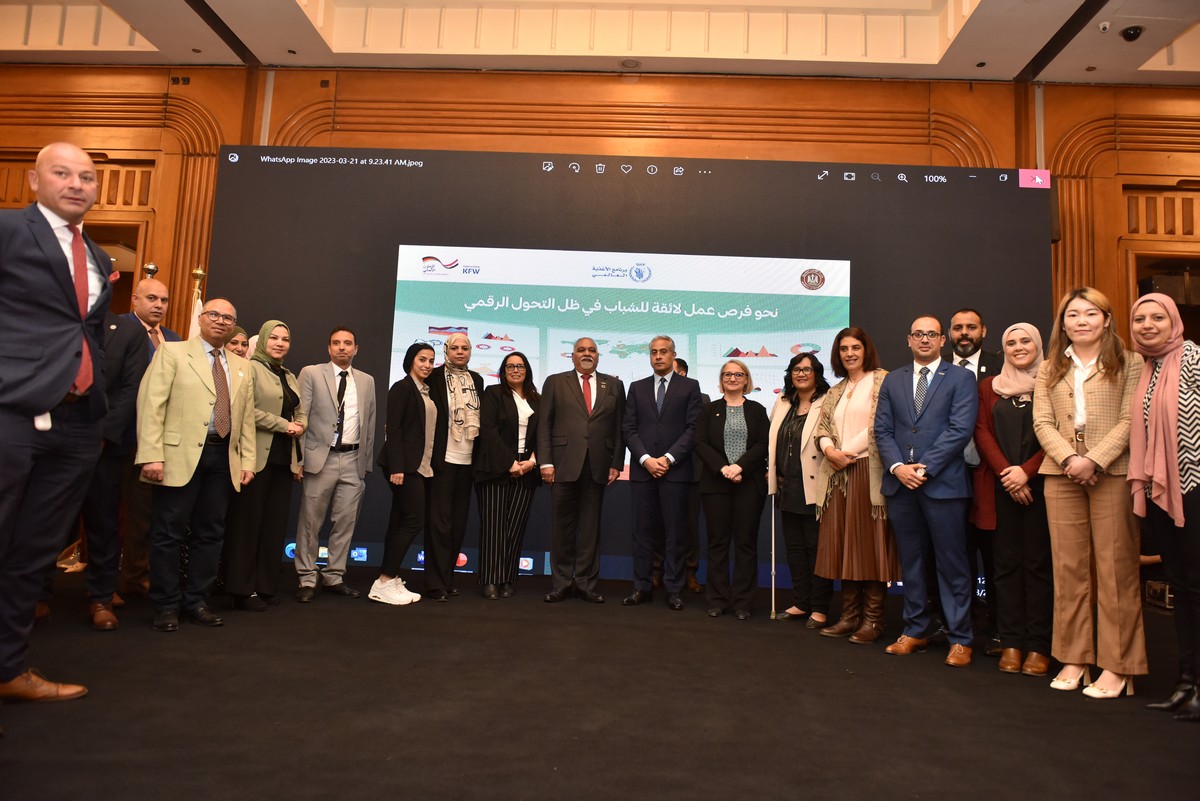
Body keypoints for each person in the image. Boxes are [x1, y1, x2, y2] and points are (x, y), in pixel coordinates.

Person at [0, 143, 111, 703]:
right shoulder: (8, 230)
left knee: (33, 555)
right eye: (62, 173)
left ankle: (8, 669)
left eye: (86, 176)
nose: (76, 184)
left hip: (76, 424)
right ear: (33, 179)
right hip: (12, 412)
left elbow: (81, 332)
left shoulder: (99, 256)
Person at [1032, 287, 1145, 698]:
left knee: (1116, 570)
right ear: (1063, 324)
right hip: (1061, 472)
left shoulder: (1130, 362)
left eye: (1090, 313)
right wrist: (1069, 459)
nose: (1081, 321)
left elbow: (1131, 419)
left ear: (1107, 319)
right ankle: (1074, 658)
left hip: (1111, 470)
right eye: (1073, 315)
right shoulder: (1049, 367)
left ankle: (1118, 666)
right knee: (1069, 570)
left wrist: (1093, 460)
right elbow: (1042, 422)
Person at [137, 298, 257, 632]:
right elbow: (151, 405)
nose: (221, 321)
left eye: (228, 318)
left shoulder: (242, 366)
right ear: (201, 318)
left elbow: (246, 418)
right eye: (214, 314)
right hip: (178, 455)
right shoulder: (172, 352)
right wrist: (151, 454)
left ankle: (196, 601)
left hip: (223, 457)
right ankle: (166, 604)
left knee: (211, 533)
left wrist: (247, 460)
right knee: (168, 532)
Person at [876, 315, 979, 667]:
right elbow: (882, 430)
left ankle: (960, 637)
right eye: (918, 334)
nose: (924, 339)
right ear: (908, 339)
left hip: (944, 485)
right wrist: (897, 467)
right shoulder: (893, 379)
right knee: (912, 563)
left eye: (931, 334)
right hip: (901, 485)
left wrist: (924, 468)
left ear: (942, 340)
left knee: (952, 563)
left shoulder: (961, 378)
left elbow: (960, 429)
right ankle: (915, 629)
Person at [1129, 293, 1200, 720]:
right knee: (1182, 586)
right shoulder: (1147, 367)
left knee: (1197, 586)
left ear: (1174, 321)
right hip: (1161, 490)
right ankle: (1186, 682)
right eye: (1140, 319)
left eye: (1158, 317)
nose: (1148, 325)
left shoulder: (1193, 360)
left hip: (1193, 487)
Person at [971, 323, 1052, 676]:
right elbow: (982, 432)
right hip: (1001, 488)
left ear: (1037, 345)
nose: (1018, 347)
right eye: (1011, 342)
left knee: (1038, 567)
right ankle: (1012, 641)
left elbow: (1058, 432)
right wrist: (1009, 474)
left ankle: (1039, 645)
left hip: (1043, 488)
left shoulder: (1053, 382)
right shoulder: (990, 386)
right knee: (1004, 568)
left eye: (1025, 341)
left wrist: (1027, 473)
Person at [813, 329, 899, 642]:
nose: (849, 353)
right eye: (844, 349)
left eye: (855, 347)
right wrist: (829, 451)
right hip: (838, 476)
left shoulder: (883, 380)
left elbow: (881, 424)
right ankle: (849, 617)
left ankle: (873, 621)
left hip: (868, 472)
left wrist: (844, 452)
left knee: (869, 546)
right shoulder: (836, 390)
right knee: (845, 546)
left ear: (866, 350)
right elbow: (822, 428)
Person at [223, 320, 306, 610]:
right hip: (255, 459)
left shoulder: (288, 374)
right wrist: (285, 425)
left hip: (283, 460)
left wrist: (301, 425)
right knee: (248, 526)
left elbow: (300, 411)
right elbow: (246, 410)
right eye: (274, 338)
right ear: (263, 341)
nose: (280, 343)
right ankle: (242, 590)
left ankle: (265, 586)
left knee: (274, 526)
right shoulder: (250, 368)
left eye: (285, 339)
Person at [538, 337, 626, 604]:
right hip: (563, 464)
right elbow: (544, 424)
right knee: (562, 529)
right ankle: (562, 584)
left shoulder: (614, 385)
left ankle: (586, 584)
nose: (587, 354)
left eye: (592, 350)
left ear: (598, 356)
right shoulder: (555, 382)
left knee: (590, 529)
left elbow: (619, 427)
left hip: (598, 465)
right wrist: (546, 462)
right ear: (572, 355)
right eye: (581, 350)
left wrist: (616, 463)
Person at [76, 312, 149, 630]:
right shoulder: (52, 319)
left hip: (106, 444)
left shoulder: (129, 331)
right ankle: (36, 595)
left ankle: (101, 597)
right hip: (50, 435)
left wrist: (103, 434)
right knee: (44, 520)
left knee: (104, 521)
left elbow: (132, 388)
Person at [293, 327, 376, 602]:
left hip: (353, 460)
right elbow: (300, 415)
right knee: (310, 522)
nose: (342, 347)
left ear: (356, 349)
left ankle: (334, 576)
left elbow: (370, 423)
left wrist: (365, 463)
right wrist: (299, 459)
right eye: (336, 343)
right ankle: (307, 578)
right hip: (320, 458)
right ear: (329, 348)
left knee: (345, 522)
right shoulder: (311, 373)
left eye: (348, 343)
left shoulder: (366, 381)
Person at [622, 336, 703, 611]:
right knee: (641, 532)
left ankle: (674, 589)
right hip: (643, 471)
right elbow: (628, 429)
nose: (658, 356)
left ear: (673, 355)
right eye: (654, 352)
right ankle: (641, 587)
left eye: (663, 352)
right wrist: (646, 459)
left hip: (675, 472)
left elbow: (693, 428)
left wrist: (668, 458)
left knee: (675, 534)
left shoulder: (690, 387)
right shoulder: (636, 387)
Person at [118, 276, 181, 599]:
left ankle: (135, 575)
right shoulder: (119, 329)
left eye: (164, 300)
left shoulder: (174, 339)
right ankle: (106, 585)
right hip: (121, 436)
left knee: (145, 515)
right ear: (135, 299)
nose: (158, 305)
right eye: (151, 298)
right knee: (111, 514)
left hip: (158, 442)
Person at [948, 307, 1005, 654]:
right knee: (956, 555)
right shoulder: (938, 370)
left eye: (971, 327)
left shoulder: (1002, 366)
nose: (964, 333)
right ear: (949, 334)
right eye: (958, 328)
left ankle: (1001, 629)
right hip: (948, 477)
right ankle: (960, 626)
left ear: (984, 330)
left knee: (996, 557)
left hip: (992, 476)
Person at [694, 359, 770, 620]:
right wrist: (723, 468)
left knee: (745, 543)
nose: (732, 378)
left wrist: (739, 467)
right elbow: (700, 443)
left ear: (746, 380)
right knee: (717, 543)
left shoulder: (757, 410)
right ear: (721, 379)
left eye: (738, 374)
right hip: (716, 484)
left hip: (749, 484)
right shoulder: (709, 410)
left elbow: (763, 444)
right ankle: (717, 600)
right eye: (727, 374)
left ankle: (742, 603)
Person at [768, 352, 833, 626]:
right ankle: (801, 602)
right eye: (796, 369)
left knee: (816, 549)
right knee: (794, 549)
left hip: (815, 485)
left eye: (807, 369)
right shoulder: (784, 401)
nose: (801, 374)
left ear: (817, 373)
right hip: (787, 486)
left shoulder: (827, 400)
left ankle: (819, 608)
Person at [370, 342, 436, 606]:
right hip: (404, 467)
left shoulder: (425, 390)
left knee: (399, 521)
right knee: (413, 520)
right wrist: (397, 467)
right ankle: (385, 580)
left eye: (431, 360)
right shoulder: (402, 387)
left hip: (419, 466)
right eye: (422, 359)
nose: (427, 365)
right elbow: (393, 430)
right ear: (410, 360)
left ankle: (389, 577)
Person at [474, 352, 540, 599]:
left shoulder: (537, 399)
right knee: (494, 527)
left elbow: (544, 434)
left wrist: (532, 462)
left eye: (520, 366)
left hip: (527, 469)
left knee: (515, 527)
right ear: (503, 371)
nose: (515, 370)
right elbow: (488, 431)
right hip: (495, 468)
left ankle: (507, 578)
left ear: (527, 370)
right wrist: (509, 463)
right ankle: (491, 580)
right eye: (510, 366)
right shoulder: (493, 394)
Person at [423, 332, 484, 601]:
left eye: (465, 348)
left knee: (458, 524)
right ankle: (434, 582)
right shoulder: (434, 377)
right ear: (446, 350)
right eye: (455, 347)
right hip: (442, 461)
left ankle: (447, 579)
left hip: (467, 462)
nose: (460, 352)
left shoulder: (477, 380)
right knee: (439, 524)